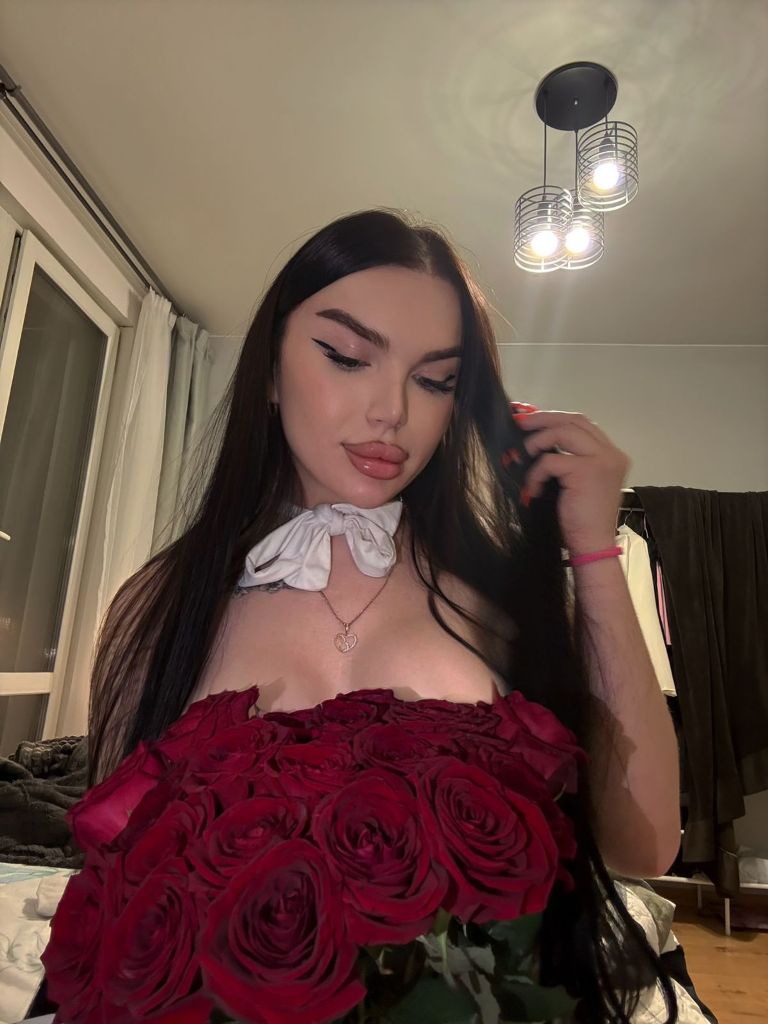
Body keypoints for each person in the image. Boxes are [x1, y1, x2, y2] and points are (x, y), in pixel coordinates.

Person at [87, 208, 680, 1022]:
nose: (391, 411)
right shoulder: (159, 606)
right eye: (346, 356)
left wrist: (592, 552)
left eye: (435, 380)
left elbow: (645, 844)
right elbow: (119, 882)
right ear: (269, 370)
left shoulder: (503, 599)